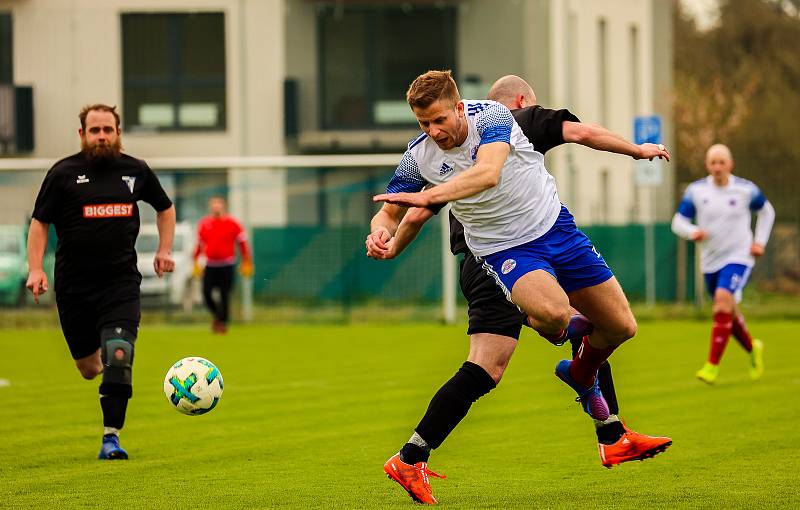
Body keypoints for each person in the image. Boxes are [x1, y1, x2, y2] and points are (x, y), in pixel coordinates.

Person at [369, 70, 667, 504]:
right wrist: (381, 234)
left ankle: (586, 384)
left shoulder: (493, 117)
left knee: (621, 327)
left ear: (458, 107)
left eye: (438, 121)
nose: (434, 132)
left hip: (557, 231)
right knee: (552, 315)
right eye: (423, 125)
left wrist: (637, 151)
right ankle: (607, 425)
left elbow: (488, 173)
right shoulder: (419, 157)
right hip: (504, 249)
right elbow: (394, 209)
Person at [26, 104, 175, 460]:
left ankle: (112, 438)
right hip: (74, 287)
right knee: (90, 369)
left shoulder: (136, 171)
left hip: (120, 283)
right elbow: (39, 223)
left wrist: (164, 249)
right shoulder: (62, 174)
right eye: (95, 131)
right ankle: (99, 361)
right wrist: (36, 268)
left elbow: (164, 208)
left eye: (108, 129)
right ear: (82, 135)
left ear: (118, 132)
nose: (102, 136)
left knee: (118, 355)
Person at [671, 143, 773, 384]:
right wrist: (692, 231)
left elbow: (767, 212)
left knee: (722, 303)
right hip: (710, 261)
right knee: (727, 311)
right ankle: (752, 347)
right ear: (707, 165)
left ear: (730, 164)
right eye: (713, 162)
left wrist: (759, 242)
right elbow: (678, 222)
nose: (717, 167)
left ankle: (711, 366)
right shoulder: (696, 191)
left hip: (739, 256)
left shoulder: (745, 190)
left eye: (722, 162)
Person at [192, 196, 253, 334]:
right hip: (210, 265)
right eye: (214, 207)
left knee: (224, 295)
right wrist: (195, 260)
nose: (216, 210)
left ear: (223, 207)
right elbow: (199, 244)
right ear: (210, 208)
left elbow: (242, 242)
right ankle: (218, 317)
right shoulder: (204, 224)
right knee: (206, 293)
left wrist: (246, 260)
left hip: (227, 265)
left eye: (218, 207)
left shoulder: (233, 223)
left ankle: (222, 323)